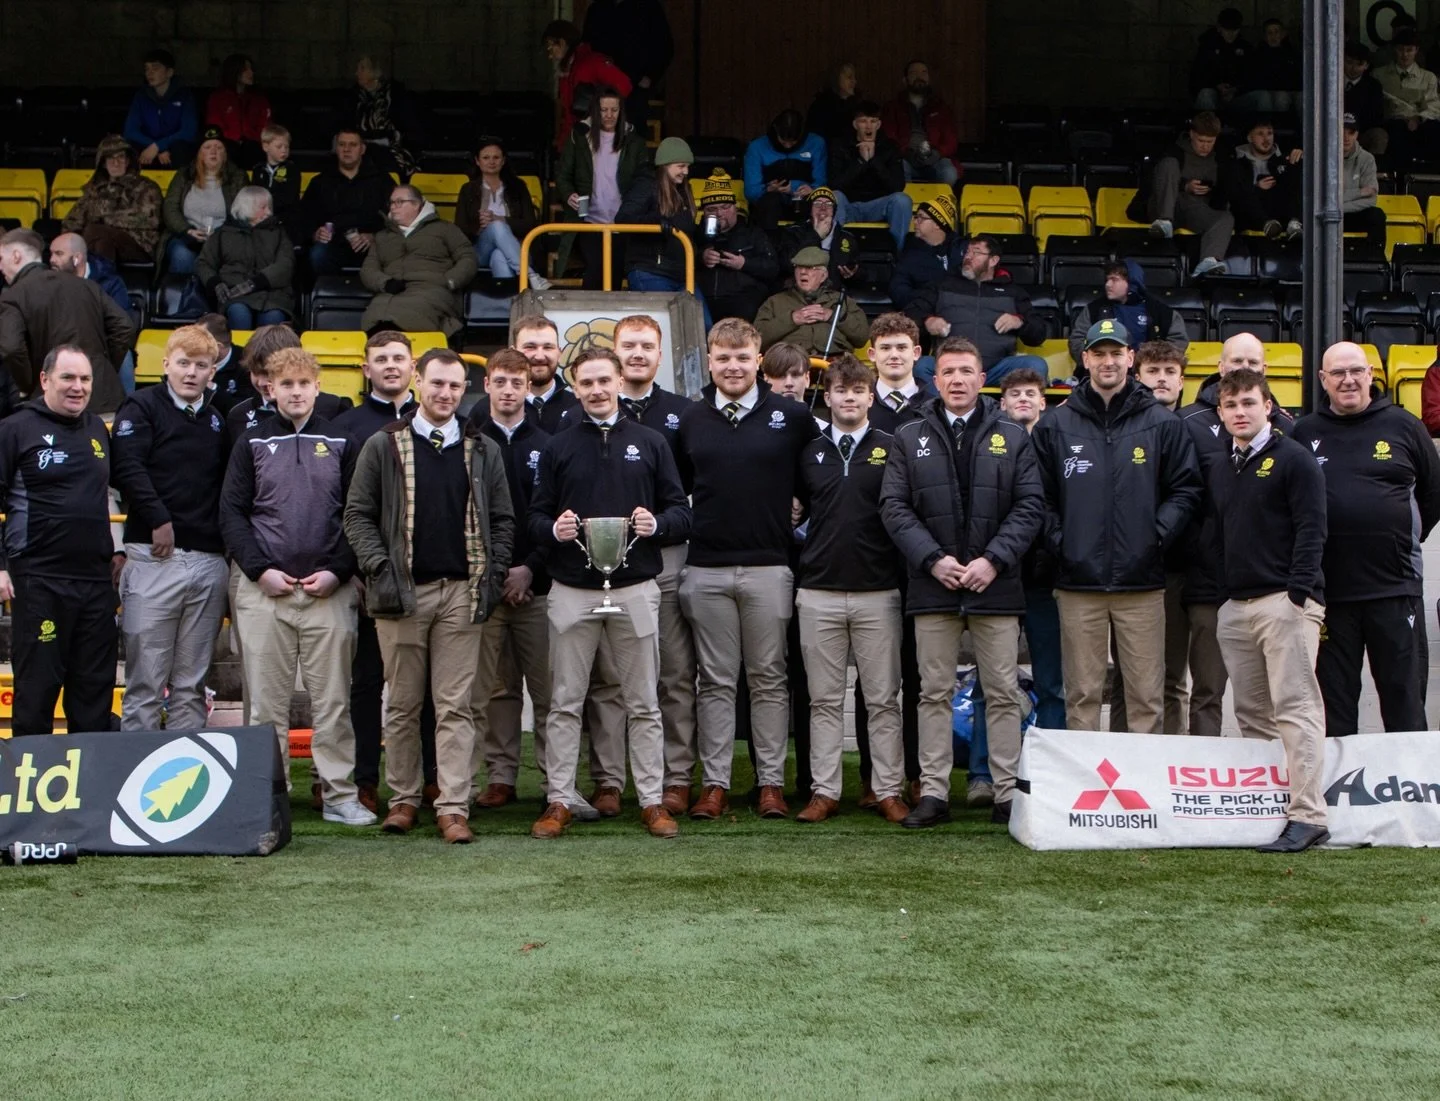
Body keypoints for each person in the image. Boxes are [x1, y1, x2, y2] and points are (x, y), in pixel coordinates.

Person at [344, 348, 516, 843]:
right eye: (437, 383)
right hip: (401, 595)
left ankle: (453, 805)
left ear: (465, 391)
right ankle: (402, 801)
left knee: (455, 706)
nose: (445, 394)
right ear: (418, 382)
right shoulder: (383, 445)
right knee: (401, 704)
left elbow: (502, 520)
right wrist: (381, 567)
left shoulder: (482, 449)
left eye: (455, 387)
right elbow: (356, 515)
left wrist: (494, 569)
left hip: (463, 593)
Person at [527, 348, 691, 840]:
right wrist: (552, 529)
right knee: (564, 702)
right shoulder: (558, 446)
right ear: (574, 387)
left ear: (620, 380)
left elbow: (681, 513)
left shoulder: (652, 441)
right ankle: (560, 798)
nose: (596, 389)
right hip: (572, 590)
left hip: (636, 587)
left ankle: (652, 801)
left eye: (604, 380)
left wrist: (657, 524)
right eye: (586, 382)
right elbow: (534, 517)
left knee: (643, 701)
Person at [880, 337, 1044, 827]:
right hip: (933, 585)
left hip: (995, 585)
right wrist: (932, 560)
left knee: (1001, 690)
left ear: (981, 378)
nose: (957, 380)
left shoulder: (1012, 435)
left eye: (966, 371)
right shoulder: (909, 435)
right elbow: (893, 506)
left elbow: (1030, 505)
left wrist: (993, 560)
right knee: (933, 692)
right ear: (936, 379)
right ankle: (933, 793)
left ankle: (1007, 793)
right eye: (948, 372)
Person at [677, 318, 821, 821]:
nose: (733, 366)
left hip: (769, 566)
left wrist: (800, 502)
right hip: (706, 568)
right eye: (723, 358)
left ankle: (770, 784)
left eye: (742, 358)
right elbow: (676, 489)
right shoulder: (690, 419)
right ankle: (714, 783)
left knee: (768, 678)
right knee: (715, 681)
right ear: (710, 361)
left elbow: (816, 479)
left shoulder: (792, 416)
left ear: (757, 360)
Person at [220, 347, 371, 825]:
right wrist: (260, 569)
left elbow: (359, 513)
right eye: (286, 384)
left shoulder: (344, 441)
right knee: (265, 704)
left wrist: (339, 570)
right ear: (270, 389)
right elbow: (232, 514)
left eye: (304, 384)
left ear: (318, 386)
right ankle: (268, 796)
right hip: (265, 590)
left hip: (329, 589)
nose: (296, 392)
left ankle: (338, 795)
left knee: (333, 701)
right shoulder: (251, 442)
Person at [1031, 320, 1203, 734]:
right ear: (1084, 358)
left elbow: (1186, 489)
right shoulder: (1056, 425)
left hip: (1142, 584)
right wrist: (1064, 543)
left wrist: (1154, 537)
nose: (1108, 361)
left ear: (1131, 358)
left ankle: (1142, 794)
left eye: (1116, 353)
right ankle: (1087, 794)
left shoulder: (1162, 423)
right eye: (1099, 353)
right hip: (1077, 584)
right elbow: (1039, 498)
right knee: (1083, 696)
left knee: (1146, 698)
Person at [1292, 342, 1440, 737]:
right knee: (1334, 710)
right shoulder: (1304, 432)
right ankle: (1340, 795)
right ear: (1323, 380)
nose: (1348, 380)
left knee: (1404, 701)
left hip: (1395, 589)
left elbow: (1433, 493)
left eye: (1356, 371)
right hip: (1330, 595)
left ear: (1371, 374)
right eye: (1337, 373)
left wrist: (1395, 537)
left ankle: (1410, 795)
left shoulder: (1405, 426)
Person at [1211, 368, 1330, 853]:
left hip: (1285, 602)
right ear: (1221, 413)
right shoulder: (1223, 465)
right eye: (1231, 405)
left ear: (1268, 407)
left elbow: (1313, 529)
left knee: (1296, 708)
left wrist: (1297, 595)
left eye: (1248, 404)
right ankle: (1271, 807)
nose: (1240, 412)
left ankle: (1309, 815)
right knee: (1252, 713)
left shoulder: (1295, 460)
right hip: (1236, 607)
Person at [792, 354, 904, 823]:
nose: (850, 398)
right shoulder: (809, 451)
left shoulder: (892, 447)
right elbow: (794, 510)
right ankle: (824, 790)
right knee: (823, 700)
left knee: (881, 699)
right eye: (841, 390)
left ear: (870, 397)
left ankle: (888, 789)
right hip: (817, 590)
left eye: (858, 391)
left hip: (878, 591)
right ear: (829, 396)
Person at [1172, 334, 1293, 739]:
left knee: (1269, 694)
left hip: (1269, 584)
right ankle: (1202, 780)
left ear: (1265, 371)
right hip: (1204, 580)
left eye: (1254, 362)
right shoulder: (1186, 422)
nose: (1245, 367)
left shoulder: (1289, 428)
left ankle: (1264, 778)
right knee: (1205, 688)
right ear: (1220, 367)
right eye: (1236, 360)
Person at [110, 325, 230, 732]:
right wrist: (158, 519)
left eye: (201, 365)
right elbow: (127, 467)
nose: (191, 372)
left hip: (208, 561)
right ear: (166, 364)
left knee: (192, 684)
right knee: (146, 680)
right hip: (154, 556)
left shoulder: (216, 420)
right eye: (183, 363)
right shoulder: (141, 407)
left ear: (213, 371)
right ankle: (130, 786)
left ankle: (187, 783)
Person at [0, 347, 118, 736]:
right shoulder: (15, 429)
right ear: (45, 380)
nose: (78, 387)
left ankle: (91, 791)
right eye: (68, 378)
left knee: (93, 693)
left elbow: (105, 494)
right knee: (36, 691)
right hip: (39, 580)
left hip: (95, 583)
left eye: (85, 379)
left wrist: (116, 551)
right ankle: (28, 791)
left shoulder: (97, 429)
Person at [466, 349, 555, 809]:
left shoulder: (549, 442)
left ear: (528, 388)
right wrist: (496, 572)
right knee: (496, 691)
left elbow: (559, 515)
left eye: (516, 383)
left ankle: (553, 782)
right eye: (499, 381)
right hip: (486, 587)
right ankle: (499, 776)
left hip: (537, 585)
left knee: (548, 691)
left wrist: (530, 568)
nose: (507, 390)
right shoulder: (471, 443)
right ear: (487, 385)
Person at [0, 228, 132, 414]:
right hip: (104, 399)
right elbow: (125, 326)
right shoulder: (87, 285)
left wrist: (28, 384)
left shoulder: (13, 296)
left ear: (16, 256)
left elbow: (11, 348)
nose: (0, 268)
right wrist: (102, 365)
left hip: (52, 406)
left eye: (0, 259)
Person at [904, 235, 1048, 387]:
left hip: (996, 370)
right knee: (922, 365)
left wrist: (1019, 322)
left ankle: (1007, 411)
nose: (968, 257)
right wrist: (927, 321)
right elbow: (910, 314)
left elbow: (1039, 334)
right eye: (967, 252)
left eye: (976, 252)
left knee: (1036, 365)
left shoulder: (1012, 291)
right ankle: (937, 411)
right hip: (950, 366)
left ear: (993, 261)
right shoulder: (943, 285)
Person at [556, 88, 650, 290]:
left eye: (614, 110)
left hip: (623, 220)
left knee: (615, 273)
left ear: (620, 111)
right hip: (589, 219)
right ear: (595, 112)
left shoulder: (634, 142)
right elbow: (563, 176)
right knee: (596, 270)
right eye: (603, 110)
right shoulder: (579, 137)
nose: (608, 115)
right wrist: (568, 194)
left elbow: (644, 179)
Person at [359, 185, 477, 339]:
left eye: (400, 202)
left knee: (412, 310)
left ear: (416, 205)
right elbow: (368, 269)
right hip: (391, 291)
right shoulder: (382, 236)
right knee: (375, 313)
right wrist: (385, 283)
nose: (394, 207)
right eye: (392, 203)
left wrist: (450, 281)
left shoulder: (445, 229)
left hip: (433, 290)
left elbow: (467, 257)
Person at [617, 138, 710, 326]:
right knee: (662, 326)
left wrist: (706, 230)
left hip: (682, 274)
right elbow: (623, 219)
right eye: (681, 166)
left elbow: (684, 232)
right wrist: (656, 223)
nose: (686, 171)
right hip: (651, 270)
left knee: (703, 325)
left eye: (687, 166)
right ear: (664, 165)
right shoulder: (646, 185)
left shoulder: (683, 189)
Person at [1130, 112, 1233, 279]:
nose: (1205, 146)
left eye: (1210, 142)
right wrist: (1184, 186)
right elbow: (1153, 182)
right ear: (1192, 134)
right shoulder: (1173, 151)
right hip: (1167, 205)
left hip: (1195, 208)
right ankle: (1165, 222)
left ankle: (1209, 261)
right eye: (1201, 141)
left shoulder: (1220, 158)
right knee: (1169, 164)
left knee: (1225, 218)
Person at [224, 323, 353, 438]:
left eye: (268, 373)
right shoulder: (238, 415)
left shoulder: (334, 408)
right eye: (255, 372)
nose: (262, 382)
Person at [48, 232, 138, 393]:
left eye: (59, 254)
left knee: (125, 356)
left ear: (77, 258)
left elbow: (124, 322)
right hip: (60, 342)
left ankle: (127, 410)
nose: (51, 260)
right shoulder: (47, 283)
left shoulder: (109, 281)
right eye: (51, 253)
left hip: (100, 344)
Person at [197, 185, 295, 330]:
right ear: (246, 208)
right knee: (239, 314)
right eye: (263, 207)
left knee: (272, 319)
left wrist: (256, 283)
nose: (269, 212)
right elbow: (204, 263)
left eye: (269, 207)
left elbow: (286, 264)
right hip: (235, 294)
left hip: (272, 295)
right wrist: (215, 283)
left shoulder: (278, 233)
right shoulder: (223, 234)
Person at [455, 139, 547, 290]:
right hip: (479, 250)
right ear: (478, 161)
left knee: (499, 256)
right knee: (496, 226)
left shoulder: (518, 187)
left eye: (496, 157)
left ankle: (508, 305)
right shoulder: (468, 189)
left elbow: (530, 225)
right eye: (486, 157)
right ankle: (530, 275)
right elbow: (459, 228)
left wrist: (501, 219)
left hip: (518, 248)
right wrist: (479, 225)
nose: (491, 161)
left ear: (503, 161)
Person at [300, 129, 395, 275]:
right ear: (336, 148)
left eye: (352, 145)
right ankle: (328, 297)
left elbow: (395, 218)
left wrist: (374, 236)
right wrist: (315, 234)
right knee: (317, 255)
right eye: (342, 144)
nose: (346, 149)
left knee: (391, 256)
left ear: (362, 149)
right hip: (333, 244)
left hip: (372, 244)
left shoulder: (382, 180)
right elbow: (304, 216)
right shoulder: (320, 182)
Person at [466, 315, 580, 434]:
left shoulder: (577, 407)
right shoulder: (484, 410)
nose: (539, 356)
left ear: (559, 353)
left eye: (548, 347)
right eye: (530, 347)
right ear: (513, 351)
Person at [61, 134, 164, 265]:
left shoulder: (146, 187)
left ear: (128, 161)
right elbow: (72, 221)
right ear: (103, 163)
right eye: (111, 158)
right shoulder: (95, 189)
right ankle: (103, 282)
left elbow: (150, 221)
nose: (116, 163)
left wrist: (105, 220)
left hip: (140, 245)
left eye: (121, 157)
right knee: (101, 242)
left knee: (94, 231)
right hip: (102, 242)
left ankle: (80, 278)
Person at [1068, 260, 1190, 366]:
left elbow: (1177, 343)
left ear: (1133, 283)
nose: (1108, 285)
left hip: (1147, 378)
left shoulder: (1162, 312)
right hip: (1104, 374)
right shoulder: (1093, 310)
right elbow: (1076, 341)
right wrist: (1100, 362)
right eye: (1107, 279)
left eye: (1114, 280)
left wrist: (1148, 363)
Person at [161, 127, 247, 276]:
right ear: (199, 153)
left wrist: (220, 234)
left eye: (219, 147)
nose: (213, 151)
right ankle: (185, 297)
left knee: (226, 258)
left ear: (225, 154)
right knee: (182, 255)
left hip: (223, 238)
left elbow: (243, 212)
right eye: (207, 147)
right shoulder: (184, 175)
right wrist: (186, 230)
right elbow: (170, 207)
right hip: (186, 236)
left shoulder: (238, 176)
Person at [694, 171, 778, 323]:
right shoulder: (694, 235)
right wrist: (701, 257)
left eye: (725, 207)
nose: (719, 213)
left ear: (735, 208)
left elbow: (772, 268)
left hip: (742, 301)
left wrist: (744, 264)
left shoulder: (753, 233)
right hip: (704, 302)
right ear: (704, 212)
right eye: (712, 209)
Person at [755, 246, 868, 357]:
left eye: (811, 268)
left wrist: (833, 316)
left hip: (835, 363)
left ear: (823, 276)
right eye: (799, 267)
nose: (803, 272)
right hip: (789, 363)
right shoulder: (775, 302)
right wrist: (792, 319)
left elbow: (861, 337)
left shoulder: (842, 301)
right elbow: (756, 340)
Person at [830, 100, 912, 250]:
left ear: (878, 125)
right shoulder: (841, 145)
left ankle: (896, 254)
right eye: (863, 121)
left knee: (902, 200)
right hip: (849, 205)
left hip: (879, 207)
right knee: (834, 196)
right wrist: (861, 161)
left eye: (873, 121)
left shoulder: (889, 147)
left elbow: (897, 186)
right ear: (855, 125)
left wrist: (874, 160)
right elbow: (835, 184)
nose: (868, 126)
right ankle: (835, 253)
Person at [580, 0, 673, 127]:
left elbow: (664, 46)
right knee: (599, 136)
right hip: (600, 87)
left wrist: (650, 76)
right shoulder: (597, 9)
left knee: (632, 136)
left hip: (635, 87)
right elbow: (586, 47)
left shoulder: (648, 7)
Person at [542, 20, 632, 150]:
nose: (550, 55)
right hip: (578, 142)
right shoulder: (568, 70)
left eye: (551, 47)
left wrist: (600, 110)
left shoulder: (591, 63)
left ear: (561, 43)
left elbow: (624, 86)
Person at [743, 109, 828, 239]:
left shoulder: (816, 143)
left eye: (793, 142)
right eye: (783, 141)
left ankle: (810, 247)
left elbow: (822, 183)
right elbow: (750, 190)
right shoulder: (757, 147)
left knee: (817, 203)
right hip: (770, 203)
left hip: (804, 200)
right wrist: (768, 189)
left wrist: (807, 189)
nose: (788, 146)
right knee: (770, 202)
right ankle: (768, 250)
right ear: (776, 132)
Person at [880, 60, 960, 185]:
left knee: (949, 173)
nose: (919, 77)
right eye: (914, 73)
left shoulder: (940, 107)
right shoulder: (893, 107)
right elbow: (889, 137)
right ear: (905, 80)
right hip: (905, 157)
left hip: (935, 157)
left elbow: (951, 139)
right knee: (898, 170)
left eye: (924, 73)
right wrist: (906, 153)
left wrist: (937, 153)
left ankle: (939, 204)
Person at [1223, 118, 1303, 241]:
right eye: (1260, 134)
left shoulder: (1283, 159)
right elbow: (1234, 195)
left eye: (1269, 133)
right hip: (1249, 215)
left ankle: (1294, 223)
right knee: (1244, 192)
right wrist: (1257, 188)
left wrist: (1301, 157)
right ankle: (1266, 224)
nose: (1266, 139)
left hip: (1278, 211)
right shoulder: (1237, 161)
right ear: (1250, 137)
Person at [1375, 27, 1440, 164]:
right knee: (1397, 129)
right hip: (1393, 121)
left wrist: (1418, 118)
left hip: (1421, 121)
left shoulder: (1428, 77)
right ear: (1394, 49)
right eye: (1400, 50)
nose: (1404, 55)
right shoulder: (1379, 75)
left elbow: (1433, 105)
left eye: (1409, 50)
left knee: (1434, 130)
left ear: (1416, 50)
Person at [124, 48, 198, 167]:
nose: (150, 73)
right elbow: (130, 131)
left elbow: (188, 131)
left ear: (169, 72)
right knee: (130, 147)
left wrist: (159, 145)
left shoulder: (184, 95)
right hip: (148, 149)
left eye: (155, 68)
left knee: (182, 148)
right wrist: (154, 147)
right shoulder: (141, 96)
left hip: (174, 150)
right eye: (147, 69)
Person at [888, 192, 963, 309]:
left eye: (921, 218)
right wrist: (924, 302)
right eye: (916, 217)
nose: (915, 221)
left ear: (938, 224)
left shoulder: (962, 249)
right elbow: (898, 288)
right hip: (924, 310)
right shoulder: (910, 252)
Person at [350, 56, 419, 178]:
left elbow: (406, 129)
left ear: (376, 72)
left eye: (362, 68)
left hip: (390, 152)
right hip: (359, 150)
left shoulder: (396, 97)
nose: (357, 73)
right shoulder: (353, 98)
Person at [778, 188, 861, 289]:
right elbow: (787, 264)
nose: (823, 208)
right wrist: (816, 236)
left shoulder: (847, 237)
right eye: (817, 203)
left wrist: (853, 274)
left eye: (829, 204)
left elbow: (861, 272)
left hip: (832, 294)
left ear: (834, 211)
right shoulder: (793, 232)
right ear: (810, 210)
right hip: (799, 292)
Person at [206, 53, 271, 166]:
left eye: (251, 69)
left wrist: (251, 138)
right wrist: (234, 138)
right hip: (228, 144)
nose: (251, 73)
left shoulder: (259, 99)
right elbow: (215, 125)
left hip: (253, 145)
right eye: (245, 69)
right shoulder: (218, 98)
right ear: (234, 71)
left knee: (253, 149)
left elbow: (265, 125)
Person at [1189, 8, 1253, 111]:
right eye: (1227, 30)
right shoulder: (1207, 46)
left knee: (1262, 97)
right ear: (1219, 28)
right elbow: (1196, 77)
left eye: (1234, 30)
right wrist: (1216, 86)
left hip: (1237, 96)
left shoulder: (1245, 48)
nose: (1231, 34)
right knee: (1206, 94)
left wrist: (1235, 90)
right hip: (1214, 95)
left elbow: (1251, 77)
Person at [1341, 114, 1387, 251]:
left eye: (1351, 133)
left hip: (1351, 213)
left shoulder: (1367, 159)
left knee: (1377, 215)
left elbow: (1371, 200)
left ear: (1357, 135)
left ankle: (1375, 261)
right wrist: (1359, 192)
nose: (1346, 138)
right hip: (1327, 214)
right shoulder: (1323, 157)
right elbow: (1323, 199)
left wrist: (1338, 204)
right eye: (1342, 132)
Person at [250, 124, 301, 244]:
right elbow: (255, 195)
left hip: (285, 222)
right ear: (265, 146)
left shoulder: (292, 169)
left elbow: (289, 198)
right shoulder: (258, 170)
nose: (284, 150)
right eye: (279, 146)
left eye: (286, 147)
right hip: (261, 220)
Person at [198, 313, 256, 414]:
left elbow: (248, 410)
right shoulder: (190, 360)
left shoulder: (249, 364)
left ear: (218, 347)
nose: (192, 346)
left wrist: (213, 390)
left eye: (198, 342)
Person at [1345, 41, 1389, 156]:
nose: (1353, 68)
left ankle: (1372, 170)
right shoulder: (1330, 81)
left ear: (1366, 66)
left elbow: (1376, 117)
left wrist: (1353, 132)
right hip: (1333, 131)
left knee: (1379, 135)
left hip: (1361, 132)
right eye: (1349, 62)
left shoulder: (1373, 86)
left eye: (1359, 64)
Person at [1248, 19, 1301, 114]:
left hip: (1292, 90)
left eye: (1277, 32)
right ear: (1264, 36)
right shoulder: (1258, 55)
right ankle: (1280, 127)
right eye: (1269, 33)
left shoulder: (1292, 53)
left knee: (1303, 98)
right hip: (1272, 92)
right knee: (1281, 97)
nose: (1273, 36)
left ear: (1283, 34)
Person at [806, 62, 860, 147]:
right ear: (836, 79)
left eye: (854, 77)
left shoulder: (855, 105)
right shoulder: (821, 107)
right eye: (849, 77)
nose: (854, 81)